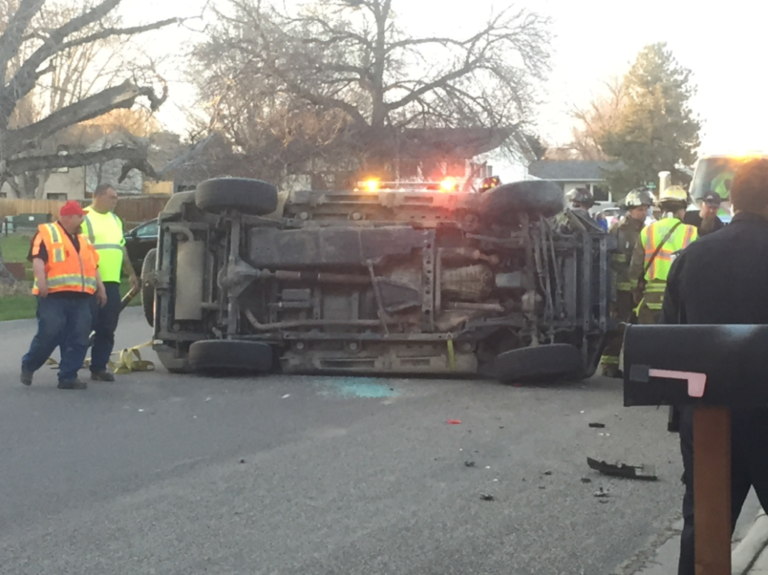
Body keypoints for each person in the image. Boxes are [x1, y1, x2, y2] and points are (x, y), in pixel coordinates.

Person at [661, 158, 768, 575]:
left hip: (707, 417)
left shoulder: (693, 256)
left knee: (703, 530)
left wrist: (681, 416)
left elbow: (671, 340)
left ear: (732, 200)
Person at [20, 201, 107, 390]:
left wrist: (101, 288)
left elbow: (94, 266)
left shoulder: (83, 239)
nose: (82, 219)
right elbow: (37, 259)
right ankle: (29, 364)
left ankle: (68, 376)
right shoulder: (46, 233)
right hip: (53, 296)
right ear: (68, 217)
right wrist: (41, 281)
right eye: (79, 216)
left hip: (82, 297)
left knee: (79, 337)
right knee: (50, 333)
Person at [82, 184, 139, 382]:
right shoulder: (83, 217)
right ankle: (70, 368)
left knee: (107, 328)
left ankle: (99, 368)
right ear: (97, 196)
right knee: (82, 327)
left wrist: (131, 273)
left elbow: (121, 249)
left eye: (116, 198)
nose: (114, 201)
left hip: (112, 282)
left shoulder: (116, 220)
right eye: (111, 197)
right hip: (88, 282)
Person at [599, 188, 654, 377]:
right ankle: (609, 366)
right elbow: (610, 263)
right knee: (619, 327)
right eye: (640, 209)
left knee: (638, 330)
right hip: (621, 289)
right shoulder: (617, 230)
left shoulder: (649, 231)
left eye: (645, 209)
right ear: (630, 209)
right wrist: (612, 294)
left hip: (640, 288)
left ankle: (635, 367)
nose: (643, 212)